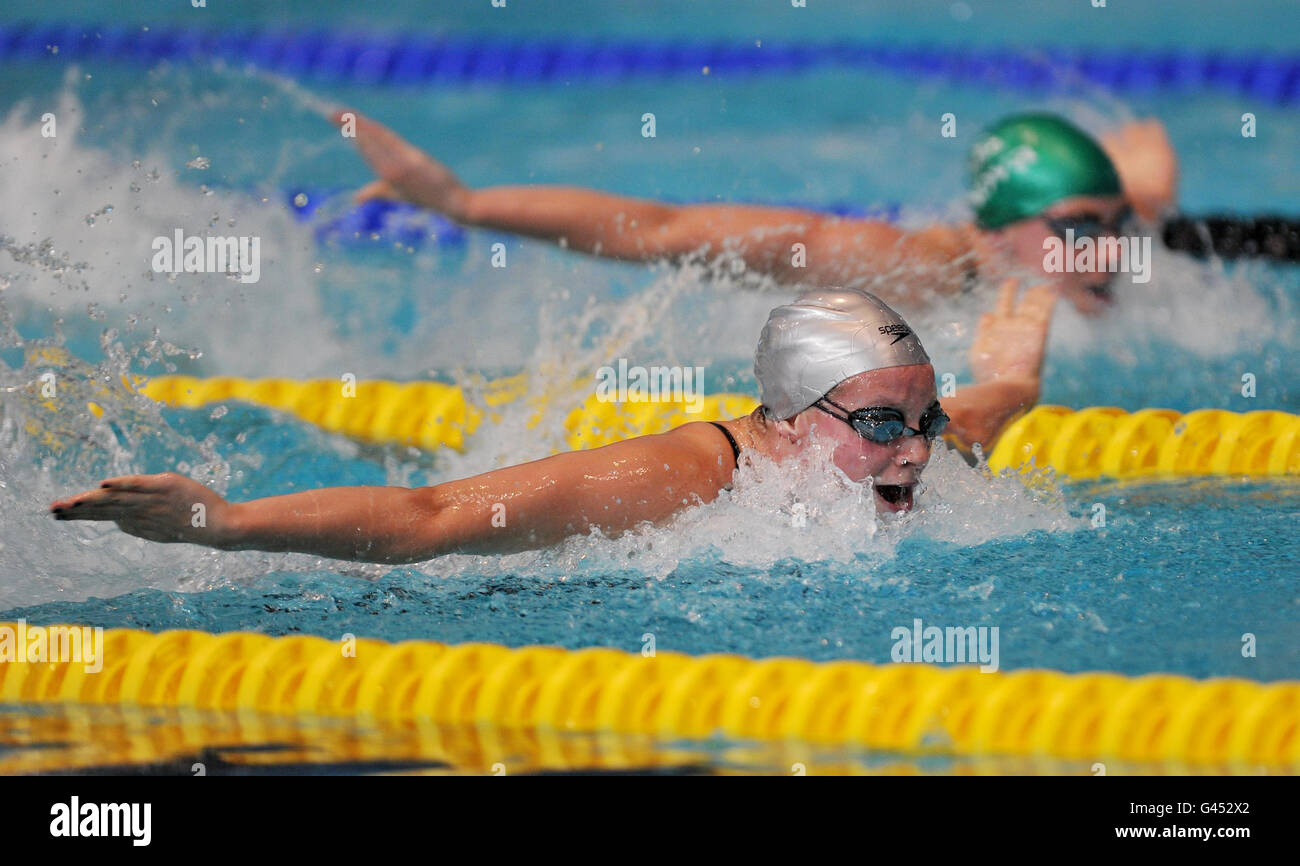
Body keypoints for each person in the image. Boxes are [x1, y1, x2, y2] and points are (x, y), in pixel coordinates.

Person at [49, 281, 1054, 563]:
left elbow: (977, 414)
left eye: (920, 415)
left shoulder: (901, 445)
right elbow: (433, 516)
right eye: (884, 423)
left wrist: (1012, 378)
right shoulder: (690, 477)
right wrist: (223, 523)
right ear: (788, 417)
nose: (917, 449)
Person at [330, 108, 1178, 314]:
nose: (1106, 253)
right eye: (1075, 230)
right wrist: (468, 204)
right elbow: (669, 230)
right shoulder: (912, 265)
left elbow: (1149, 144)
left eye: (1116, 227)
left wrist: (1125, 196)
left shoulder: (1100, 235)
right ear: (996, 228)